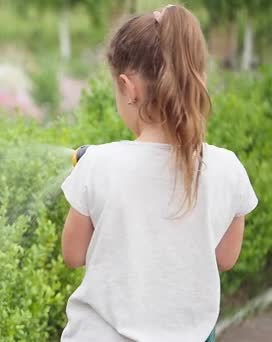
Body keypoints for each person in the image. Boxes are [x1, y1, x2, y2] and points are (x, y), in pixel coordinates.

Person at [59, 4, 258, 342]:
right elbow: (225, 258)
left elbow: (73, 254)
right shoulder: (228, 168)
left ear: (129, 87)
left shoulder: (98, 164)